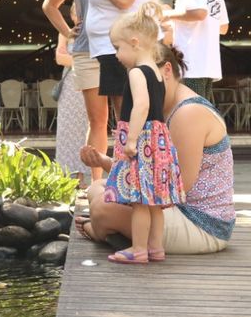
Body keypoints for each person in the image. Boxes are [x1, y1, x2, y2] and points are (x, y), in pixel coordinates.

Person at [77, 43, 235, 256]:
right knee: (97, 188)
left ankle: (98, 230)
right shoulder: (163, 109)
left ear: (166, 71)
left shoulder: (188, 113)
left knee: (103, 209)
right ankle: (111, 232)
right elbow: (154, 177)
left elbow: (177, 188)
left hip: (201, 224)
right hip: (169, 207)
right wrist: (103, 161)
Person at [98, 2, 185, 264]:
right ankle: (156, 248)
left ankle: (138, 249)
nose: (116, 55)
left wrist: (131, 139)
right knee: (154, 202)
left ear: (135, 42)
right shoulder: (158, 73)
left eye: (118, 48)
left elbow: (142, 106)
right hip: (157, 139)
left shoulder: (136, 72)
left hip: (142, 140)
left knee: (139, 201)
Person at [42, 0, 107, 182]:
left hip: (117, 49)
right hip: (86, 52)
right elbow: (49, 5)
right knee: (97, 121)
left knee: (124, 118)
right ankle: (97, 183)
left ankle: (123, 179)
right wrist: (68, 32)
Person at [51, 3, 91, 187]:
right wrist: (83, 60)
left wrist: (74, 60)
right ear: (72, 15)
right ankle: (67, 176)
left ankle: (83, 176)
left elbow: (97, 58)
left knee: (85, 128)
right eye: (76, 12)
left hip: (88, 83)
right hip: (70, 84)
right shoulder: (65, 33)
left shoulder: (93, 32)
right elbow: (59, 58)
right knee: (67, 128)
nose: (78, 16)